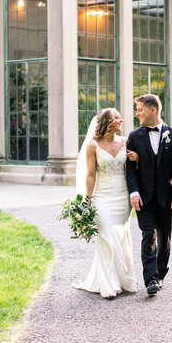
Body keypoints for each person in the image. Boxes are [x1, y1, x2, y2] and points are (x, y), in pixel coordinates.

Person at [73, 108, 138, 298]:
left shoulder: (126, 142)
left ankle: (122, 279)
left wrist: (138, 158)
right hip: (103, 196)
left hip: (122, 195)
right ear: (107, 122)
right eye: (117, 117)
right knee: (106, 237)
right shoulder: (93, 146)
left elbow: (134, 168)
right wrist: (87, 200)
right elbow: (91, 175)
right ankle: (109, 284)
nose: (122, 120)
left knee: (120, 236)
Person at [126, 94, 172, 296]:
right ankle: (150, 279)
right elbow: (130, 169)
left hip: (167, 198)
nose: (137, 114)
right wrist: (133, 192)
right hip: (143, 197)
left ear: (153, 110)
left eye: (140, 109)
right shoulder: (134, 137)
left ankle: (160, 274)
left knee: (165, 238)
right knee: (148, 235)